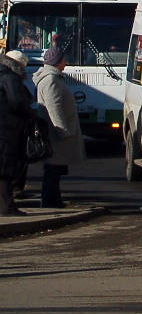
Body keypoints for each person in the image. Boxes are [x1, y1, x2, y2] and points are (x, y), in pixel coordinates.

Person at [33, 46, 83, 209]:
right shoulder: (51, 80)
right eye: (64, 59)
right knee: (53, 170)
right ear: (57, 61)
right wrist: (63, 131)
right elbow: (54, 108)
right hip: (56, 136)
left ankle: (53, 200)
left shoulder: (52, 79)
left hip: (54, 134)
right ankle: (50, 202)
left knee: (55, 169)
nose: (66, 63)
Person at [0, 50, 36, 217]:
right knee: (6, 167)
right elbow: (16, 102)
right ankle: (7, 207)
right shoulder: (10, 77)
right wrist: (28, 113)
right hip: (8, 127)